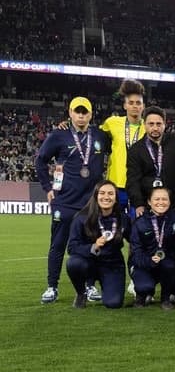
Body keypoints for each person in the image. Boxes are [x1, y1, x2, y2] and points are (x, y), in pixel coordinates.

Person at [35, 96, 111, 304]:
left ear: (91, 114)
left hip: (90, 203)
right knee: (58, 245)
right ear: (70, 113)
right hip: (64, 202)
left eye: (84, 112)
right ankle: (52, 287)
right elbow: (40, 161)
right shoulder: (58, 135)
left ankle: (89, 286)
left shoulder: (100, 135)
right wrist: (47, 188)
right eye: (77, 112)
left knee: (91, 244)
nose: (81, 116)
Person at [65, 180, 129, 309]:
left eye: (111, 194)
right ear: (96, 196)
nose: (106, 197)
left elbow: (136, 240)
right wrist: (93, 247)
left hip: (112, 264)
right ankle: (81, 293)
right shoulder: (81, 218)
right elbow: (72, 247)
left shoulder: (123, 219)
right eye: (102, 193)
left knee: (113, 303)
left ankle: (108, 285)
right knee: (74, 263)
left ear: (116, 198)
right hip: (89, 262)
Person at [126, 106, 175, 217]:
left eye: (158, 124)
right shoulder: (136, 150)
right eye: (151, 124)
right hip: (148, 205)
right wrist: (139, 204)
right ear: (144, 125)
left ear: (164, 124)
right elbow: (133, 180)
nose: (155, 128)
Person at [98, 79, 146, 218]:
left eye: (138, 103)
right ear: (125, 105)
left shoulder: (148, 127)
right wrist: (69, 124)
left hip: (138, 186)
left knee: (137, 229)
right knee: (112, 226)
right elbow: (93, 134)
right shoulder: (112, 123)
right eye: (131, 103)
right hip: (116, 185)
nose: (135, 106)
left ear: (143, 106)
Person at [129, 186, 175, 309]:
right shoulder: (139, 222)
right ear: (149, 201)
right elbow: (135, 252)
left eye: (164, 199)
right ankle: (141, 294)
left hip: (165, 262)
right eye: (157, 199)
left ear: (169, 201)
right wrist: (149, 260)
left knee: (170, 266)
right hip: (144, 263)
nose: (161, 202)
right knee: (145, 286)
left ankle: (165, 298)